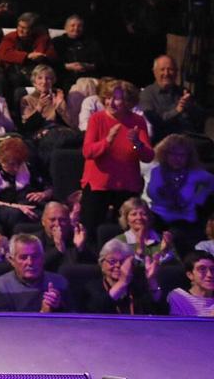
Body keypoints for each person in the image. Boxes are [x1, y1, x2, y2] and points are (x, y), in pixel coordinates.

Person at [80, 82, 153, 237]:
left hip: (126, 184)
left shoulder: (137, 122)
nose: (110, 102)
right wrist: (107, 141)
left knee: (125, 233)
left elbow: (147, 156)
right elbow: (88, 152)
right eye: (107, 98)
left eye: (116, 99)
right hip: (99, 185)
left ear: (128, 102)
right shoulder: (96, 119)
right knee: (91, 231)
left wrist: (136, 144)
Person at [143, 134, 214, 252]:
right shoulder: (154, 169)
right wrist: (136, 144)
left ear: (188, 157)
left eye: (182, 155)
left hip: (183, 221)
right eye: (173, 154)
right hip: (156, 218)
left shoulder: (195, 173)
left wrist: (199, 198)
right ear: (165, 154)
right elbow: (137, 154)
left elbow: (211, 183)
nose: (177, 159)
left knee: (176, 239)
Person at [0, 234, 72, 313]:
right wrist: (43, 314)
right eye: (23, 257)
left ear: (42, 258)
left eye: (35, 257)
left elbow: (74, 320)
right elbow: (5, 323)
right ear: (12, 260)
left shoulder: (59, 283)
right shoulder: (1, 286)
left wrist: (58, 307)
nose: (30, 262)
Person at [85, 238, 162, 315]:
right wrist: (122, 282)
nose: (118, 265)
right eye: (112, 261)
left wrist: (152, 280)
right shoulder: (92, 287)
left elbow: (157, 308)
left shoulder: (137, 286)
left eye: (123, 261)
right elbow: (96, 310)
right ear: (102, 264)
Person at [139, 55, 208, 140]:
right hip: (164, 141)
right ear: (154, 72)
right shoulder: (147, 94)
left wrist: (190, 106)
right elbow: (155, 122)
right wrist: (177, 110)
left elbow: (201, 117)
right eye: (162, 69)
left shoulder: (183, 91)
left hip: (189, 138)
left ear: (176, 72)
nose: (166, 73)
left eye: (170, 69)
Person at [167, 251, 214, 316]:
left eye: (212, 269)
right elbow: (178, 325)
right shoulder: (178, 297)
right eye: (202, 269)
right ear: (190, 275)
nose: (210, 275)